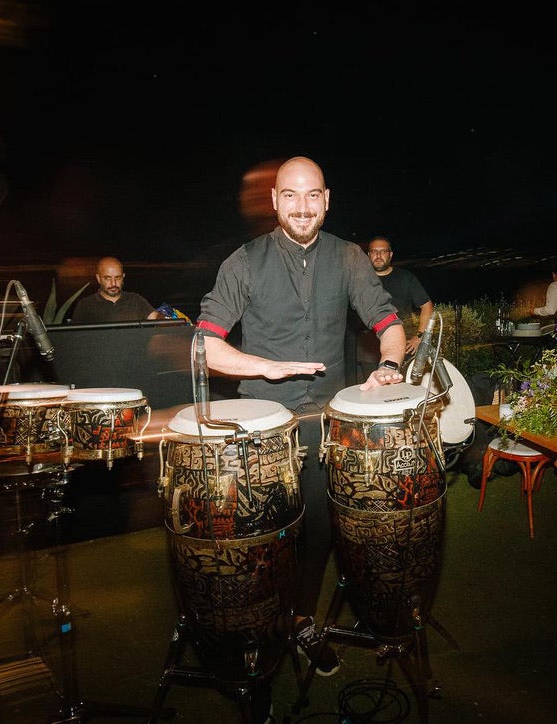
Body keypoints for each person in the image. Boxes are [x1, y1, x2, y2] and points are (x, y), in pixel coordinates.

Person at [197, 156, 407, 680]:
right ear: (274, 201)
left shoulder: (350, 257)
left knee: (318, 533)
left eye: (312, 194)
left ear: (327, 200)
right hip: (263, 425)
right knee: (262, 539)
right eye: (290, 195)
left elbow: (389, 323)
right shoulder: (244, 262)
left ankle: (301, 621)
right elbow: (204, 346)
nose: (302, 206)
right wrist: (265, 367)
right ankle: (258, 637)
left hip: (323, 425)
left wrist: (388, 366)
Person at [353, 236, 434, 382]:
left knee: (400, 389)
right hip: (368, 352)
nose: (378, 255)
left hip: (402, 349)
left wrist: (419, 337)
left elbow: (427, 306)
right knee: (372, 391)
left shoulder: (405, 277)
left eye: (383, 251)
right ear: (368, 255)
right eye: (374, 251)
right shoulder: (359, 281)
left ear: (390, 254)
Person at [69, 256, 164, 324]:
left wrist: (166, 318)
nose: (113, 283)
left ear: (123, 277)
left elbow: (156, 318)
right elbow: (74, 337)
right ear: (98, 278)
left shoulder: (135, 300)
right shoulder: (85, 305)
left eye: (117, 277)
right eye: (108, 278)